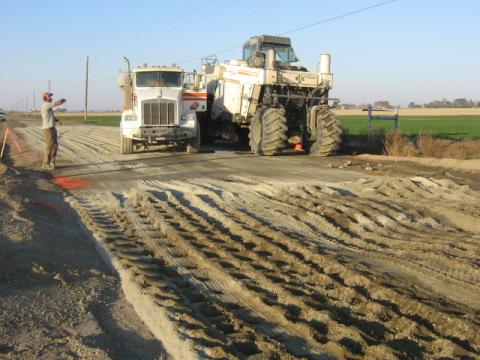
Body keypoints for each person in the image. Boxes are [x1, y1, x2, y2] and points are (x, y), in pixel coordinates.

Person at [41, 92, 66, 169]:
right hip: (48, 129)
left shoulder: (48, 106)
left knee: (55, 146)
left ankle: (52, 163)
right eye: (49, 96)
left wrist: (57, 120)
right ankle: (45, 164)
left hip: (52, 127)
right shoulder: (46, 104)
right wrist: (63, 100)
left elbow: (51, 117)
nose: (51, 97)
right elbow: (58, 103)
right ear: (46, 98)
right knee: (50, 146)